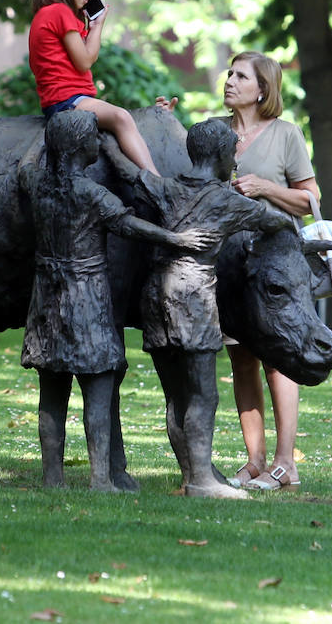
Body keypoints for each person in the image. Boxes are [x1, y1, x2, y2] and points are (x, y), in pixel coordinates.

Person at [21, 111, 218, 492]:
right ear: (81, 148)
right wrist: (175, 239)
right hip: (87, 296)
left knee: (53, 390)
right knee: (99, 385)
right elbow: (128, 225)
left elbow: (26, 165)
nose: (100, 143)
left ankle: (53, 478)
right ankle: (99, 479)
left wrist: (42, 137)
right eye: (95, 139)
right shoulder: (93, 194)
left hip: (46, 298)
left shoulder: (36, 184)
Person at [156, 50, 319, 491]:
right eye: (229, 73)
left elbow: (310, 199)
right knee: (241, 360)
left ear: (262, 88)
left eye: (240, 76)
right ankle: (255, 460)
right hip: (226, 269)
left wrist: (265, 188)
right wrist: (167, 123)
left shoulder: (286, 135)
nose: (229, 81)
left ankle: (286, 463)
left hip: (271, 267)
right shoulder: (217, 131)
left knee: (276, 359)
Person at [105, 119, 293, 498]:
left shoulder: (166, 187)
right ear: (222, 157)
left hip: (155, 299)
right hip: (193, 300)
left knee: (176, 395)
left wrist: (106, 139)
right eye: (233, 158)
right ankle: (202, 480)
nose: (235, 165)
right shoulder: (228, 200)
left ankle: (195, 471)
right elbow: (275, 221)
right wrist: (305, 242)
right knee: (203, 395)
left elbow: (128, 170)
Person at [28, 0, 160, 174]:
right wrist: (98, 26)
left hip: (68, 100)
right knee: (122, 117)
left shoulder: (52, 13)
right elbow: (86, 60)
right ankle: (156, 179)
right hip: (67, 102)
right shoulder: (59, 12)